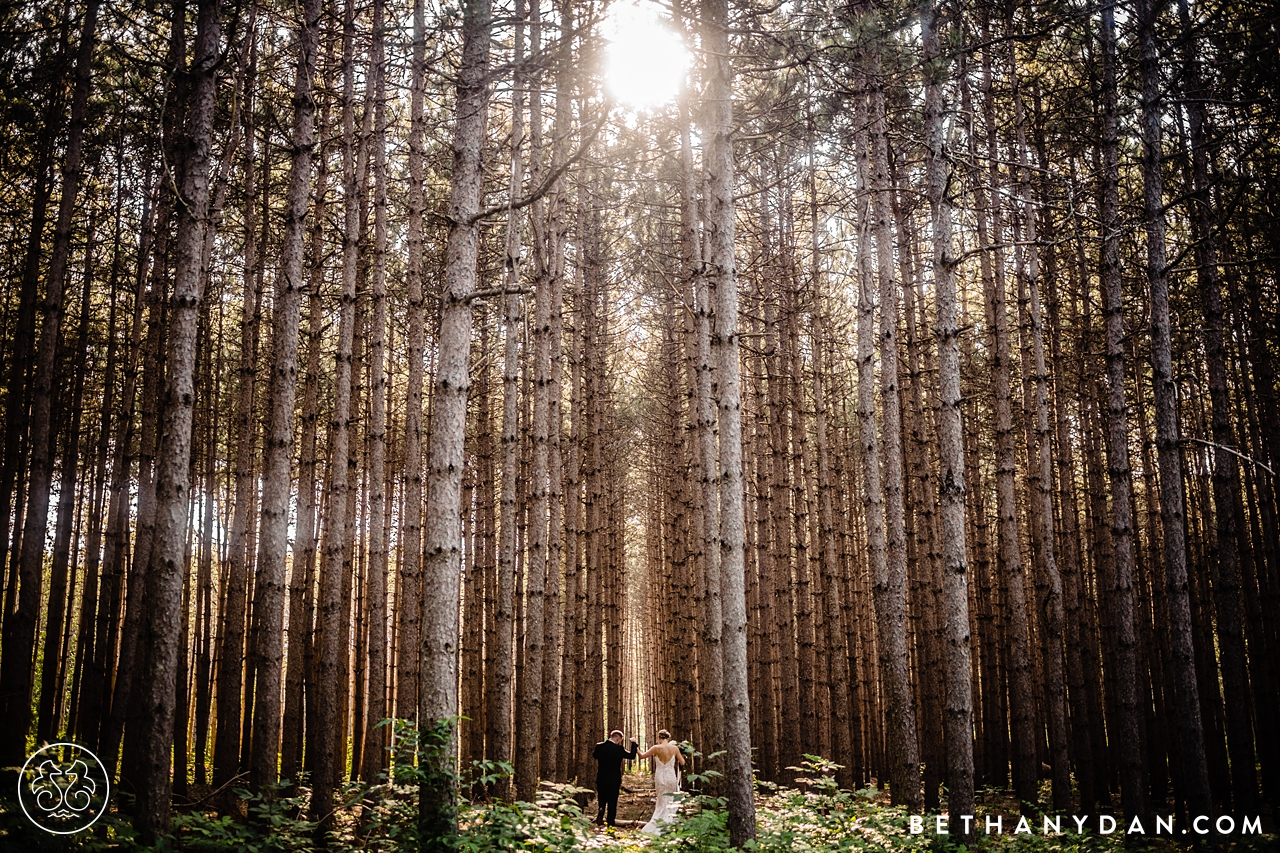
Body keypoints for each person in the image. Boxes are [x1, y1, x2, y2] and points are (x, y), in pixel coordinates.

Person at [638, 729, 685, 834]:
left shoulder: (656, 748)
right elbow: (682, 762)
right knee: (671, 798)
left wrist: (635, 747)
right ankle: (670, 821)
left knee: (661, 799)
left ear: (659, 738)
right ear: (667, 738)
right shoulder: (674, 748)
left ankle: (658, 822)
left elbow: (641, 756)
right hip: (671, 777)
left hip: (660, 777)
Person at [592, 729, 637, 826]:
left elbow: (594, 756)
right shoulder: (618, 749)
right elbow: (631, 756)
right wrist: (633, 744)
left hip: (601, 777)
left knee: (602, 798)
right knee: (612, 801)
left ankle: (601, 809)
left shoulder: (599, 746)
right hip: (614, 779)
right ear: (618, 739)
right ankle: (610, 822)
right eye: (620, 740)